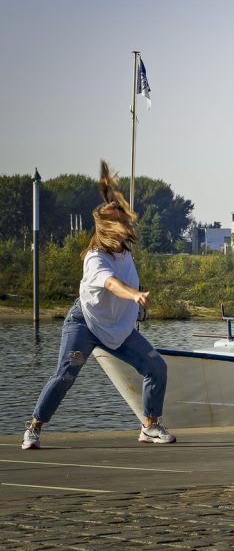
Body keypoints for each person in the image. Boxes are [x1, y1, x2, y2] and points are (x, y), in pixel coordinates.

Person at [22, 161, 175, 449]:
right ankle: (34, 427)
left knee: (156, 366)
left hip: (118, 327)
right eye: (118, 224)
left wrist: (111, 196)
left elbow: (116, 210)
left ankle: (150, 426)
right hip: (86, 324)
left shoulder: (123, 253)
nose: (125, 227)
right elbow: (111, 285)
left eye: (124, 222)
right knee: (65, 376)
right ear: (107, 231)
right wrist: (135, 295)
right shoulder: (95, 258)